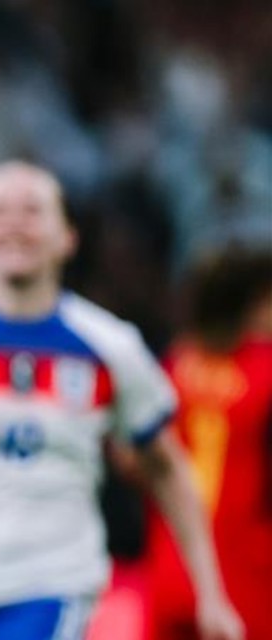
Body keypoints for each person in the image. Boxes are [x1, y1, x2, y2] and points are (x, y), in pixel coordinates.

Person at [0, 160, 243, 640]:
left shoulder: (110, 346)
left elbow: (166, 466)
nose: (14, 222)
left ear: (68, 237)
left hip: (48, 587)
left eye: (32, 211)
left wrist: (211, 592)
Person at [143, 248, 271, 640]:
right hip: (248, 575)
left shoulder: (174, 365)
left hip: (172, 568)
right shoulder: (265, 371)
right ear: (254, 305)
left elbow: (132, 458)